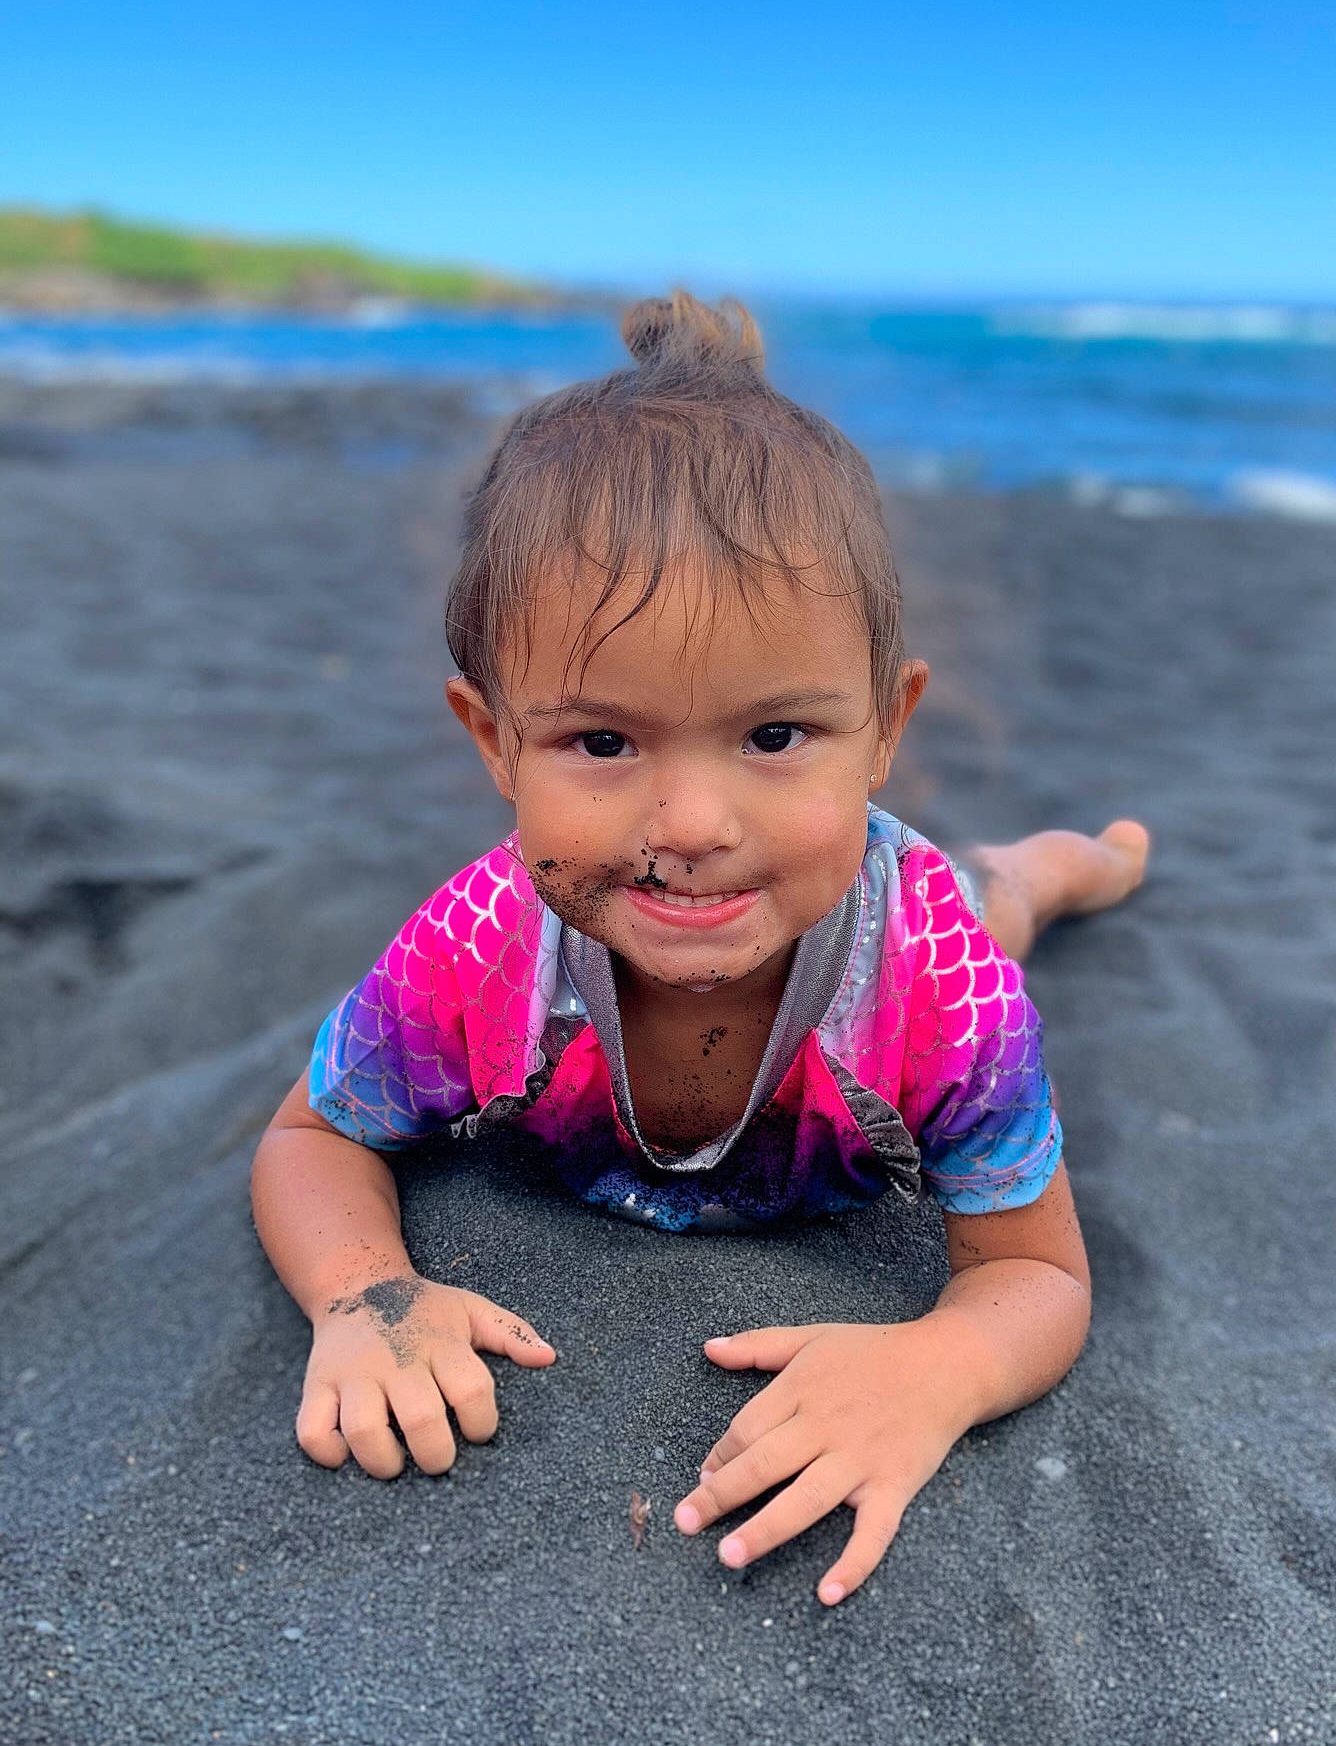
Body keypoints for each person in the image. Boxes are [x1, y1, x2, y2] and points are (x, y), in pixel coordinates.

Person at [251, 293, 1148, 1606]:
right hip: (814, 906)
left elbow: (1034, 1272)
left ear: (884, 729)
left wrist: (940, 1366)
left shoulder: (940, 979)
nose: (691, 824)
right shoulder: (482, 942)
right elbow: (311, 1138)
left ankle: (1090, 859)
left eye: (775, 737)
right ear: (495, 741)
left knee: (1006, 892)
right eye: (603, 742)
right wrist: (365, 1294)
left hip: (925, 910)